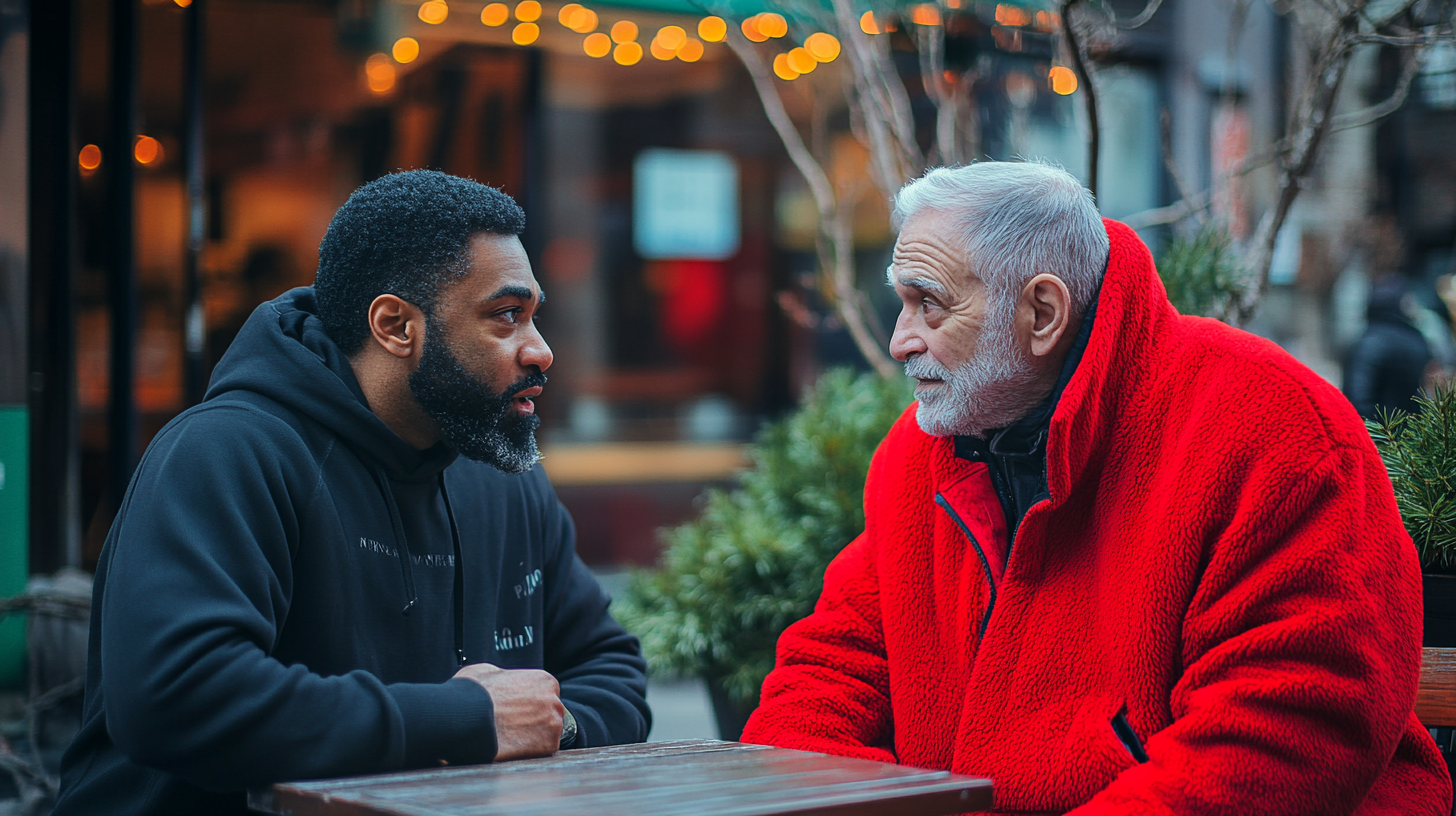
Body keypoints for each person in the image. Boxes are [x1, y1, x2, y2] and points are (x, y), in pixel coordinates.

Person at [739, 161, 1452, 814]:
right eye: (901, 303)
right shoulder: (916, 454)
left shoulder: (1268, 426)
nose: (900, 340)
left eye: (930, 304)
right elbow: (823, 677)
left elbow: (1286, 729)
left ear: (1043, 313)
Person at [54, 171, 650, 815]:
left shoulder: (502, 473)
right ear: (395, 326)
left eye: (535, 315)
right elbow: (177, 698)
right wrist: (463, 718)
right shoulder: (225, 454)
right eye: (506, 316)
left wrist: (546, 724)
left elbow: (611, 667)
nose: (541, 350)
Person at [1343, 275, 1433, 419]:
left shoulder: (1367, 342)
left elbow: (1357, 395)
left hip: (1379, 435)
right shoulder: (1417, 340)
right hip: (1415, 434)